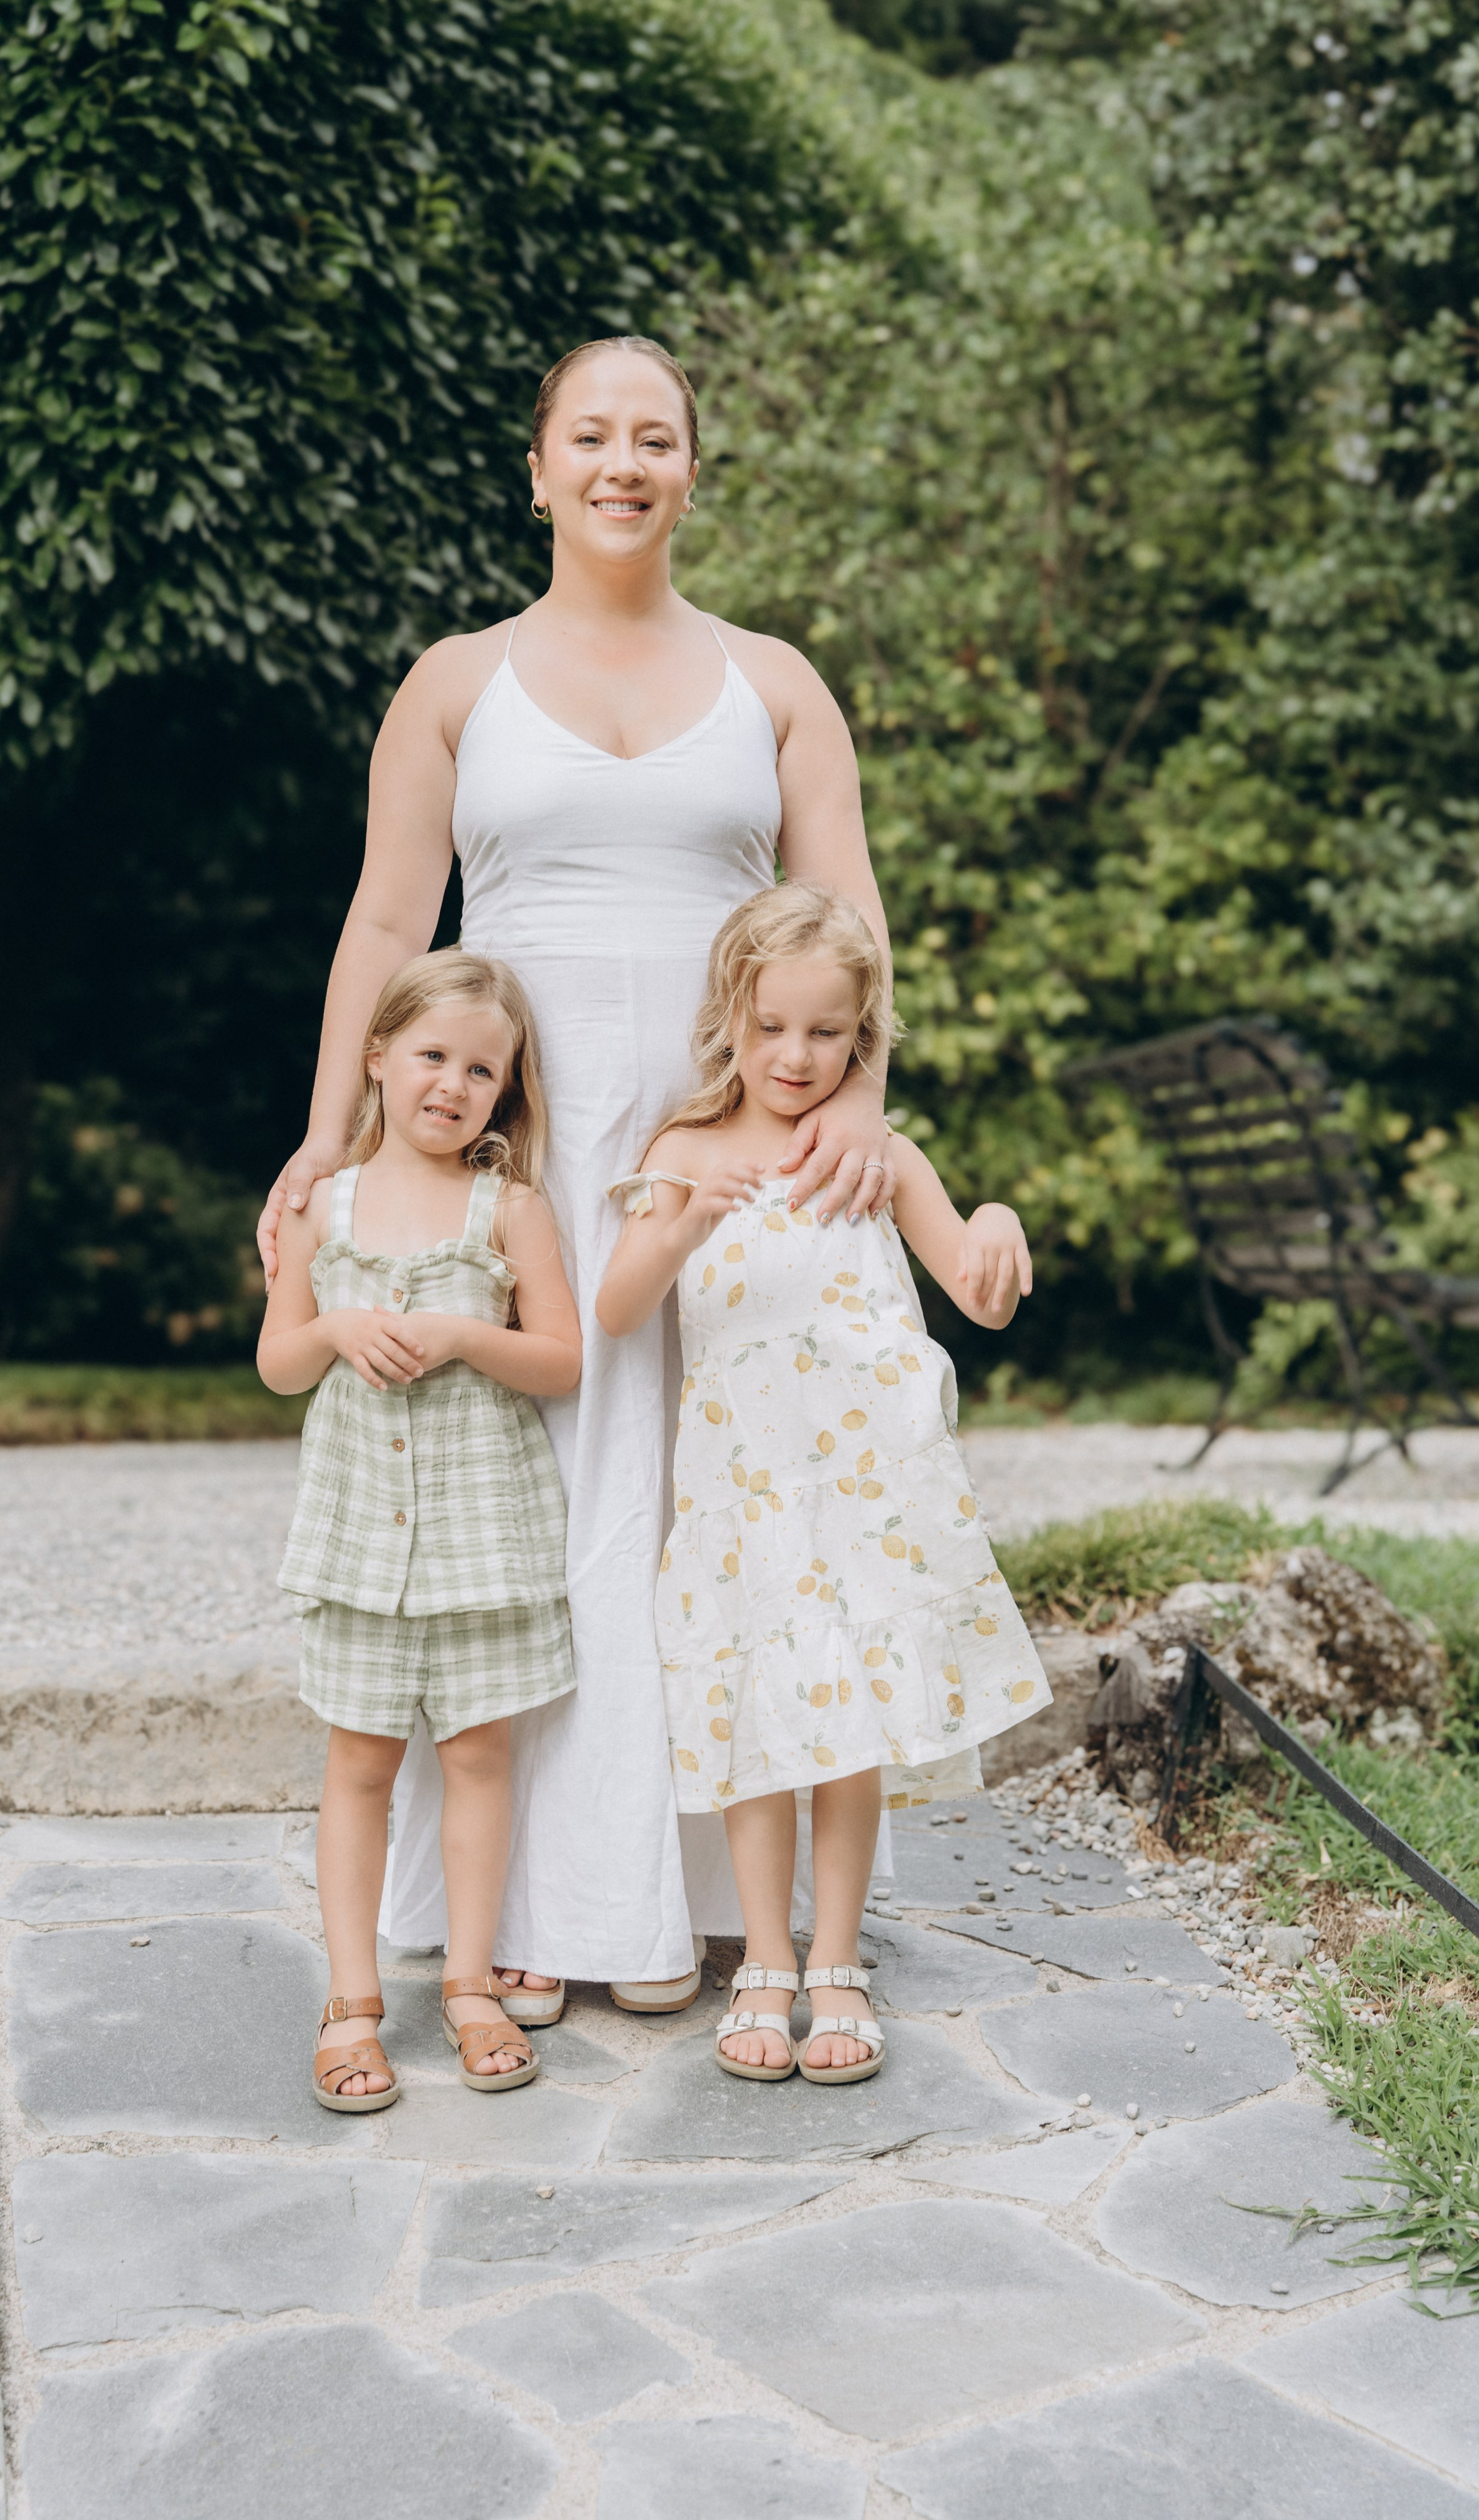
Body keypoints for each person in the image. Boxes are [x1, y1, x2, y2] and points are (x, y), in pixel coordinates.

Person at [259, 333, 899, 2017]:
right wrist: (330, 1136)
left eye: (659, 437)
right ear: (535, 466)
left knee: (719, 1504)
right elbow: (388, 927)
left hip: (722, 1160)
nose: (625, 462)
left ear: (696, 471)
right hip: (521, 1152)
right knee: (532, 1508)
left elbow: (850, 924)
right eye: (592, 436)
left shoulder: (775, 685)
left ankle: (728, 1912)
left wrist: (860, 1108)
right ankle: (534, 1905)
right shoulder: (457, 683)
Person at [596, 885, 1052, 2083]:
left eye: (827, 1033)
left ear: (864, 1038)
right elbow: (617, 1307)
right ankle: (762, 1957)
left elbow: (976, 1289)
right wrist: (678, 1227)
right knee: (759, 1722)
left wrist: (998, 1219)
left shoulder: (878, 1154)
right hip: (744, 1495)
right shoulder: (684, 1156)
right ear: (729, 1025)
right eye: (772, 1029)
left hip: (864, 1490)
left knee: (849, 1726)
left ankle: (836, 1957)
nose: (796, 1058)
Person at [258, 950, 581, 2104]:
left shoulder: (512, 1209)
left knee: (479, 1758)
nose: (453, 1083)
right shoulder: (323, 1204)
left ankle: (470, 1984)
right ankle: (351, 2003)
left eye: (482, 1069)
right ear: (379, 1059)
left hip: (478, 1537)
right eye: (433, 1056)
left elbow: (560, 1357)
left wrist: (462, 1338)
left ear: (506, 1092)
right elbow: (278, 1361)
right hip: (359, 1542)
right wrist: (341, 1326)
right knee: (359, 1768)